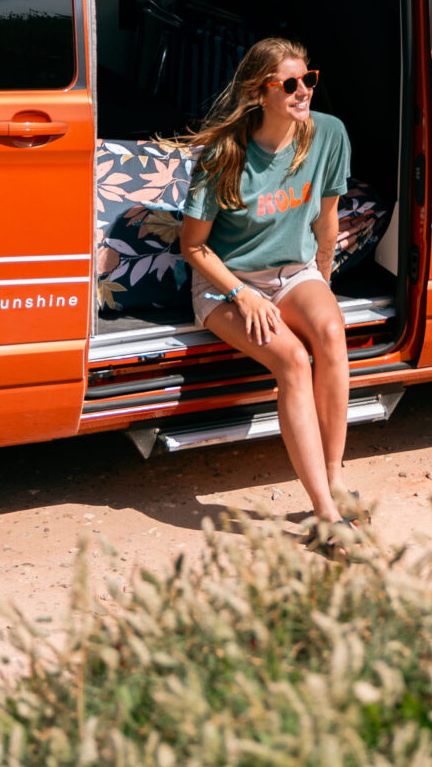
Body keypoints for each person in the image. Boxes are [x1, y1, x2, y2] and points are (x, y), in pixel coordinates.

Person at [179, 38, 358, 524]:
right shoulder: (225, 154)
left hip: (293, 271)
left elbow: (327, 217)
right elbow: (192, 247)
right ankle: (325, 515)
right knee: (295, 362)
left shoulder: (328, 134)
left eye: (309, 81)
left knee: (331, 332)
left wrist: (321, 280)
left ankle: (335, 476)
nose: (304, 92)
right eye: (291, 85)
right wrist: (241, 294)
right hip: (226, 281)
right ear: (260, 93)